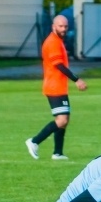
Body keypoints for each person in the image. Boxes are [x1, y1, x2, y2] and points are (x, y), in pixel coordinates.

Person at [25, 15, 86, 161]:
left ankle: (57, 153)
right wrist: (76, 80)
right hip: (54, 87)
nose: (64, 29)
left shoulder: (58, 41)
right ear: (54, 26)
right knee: (62, 120)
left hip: (59, 87)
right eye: (61, 26)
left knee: (65, 119)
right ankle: (34, 141)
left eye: (65, 26)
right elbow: (59, 65)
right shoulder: (52, 42)